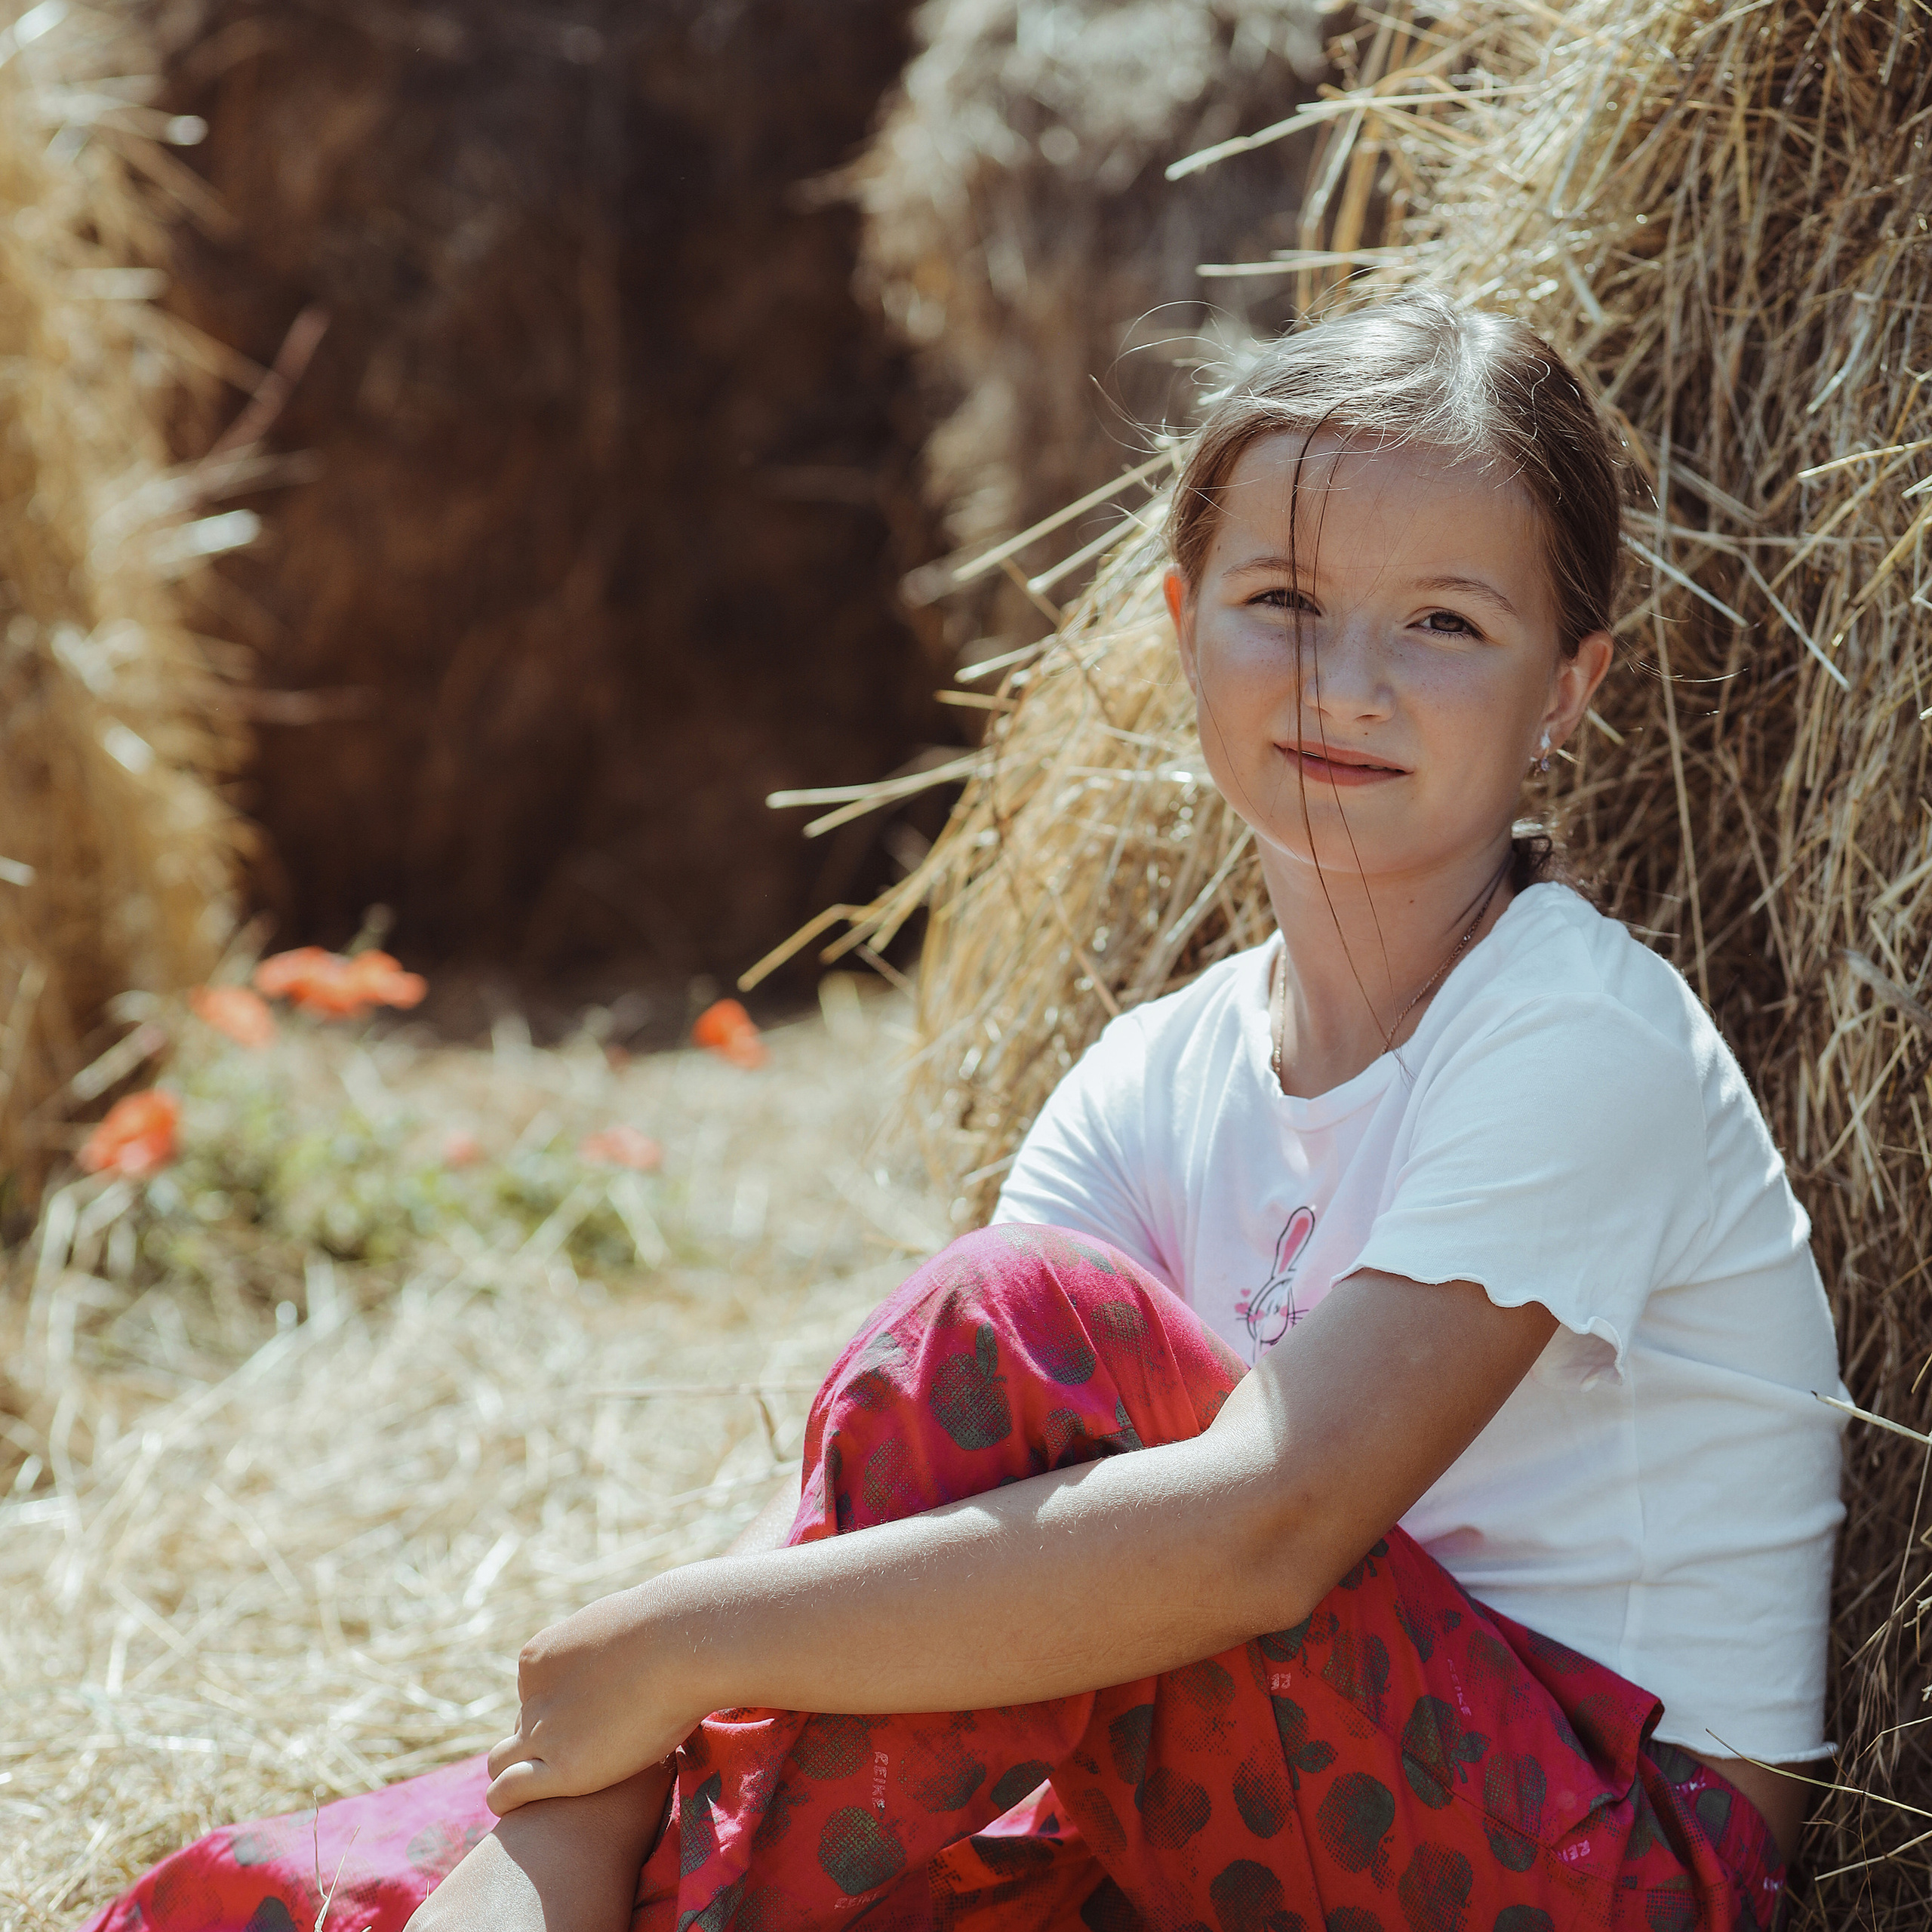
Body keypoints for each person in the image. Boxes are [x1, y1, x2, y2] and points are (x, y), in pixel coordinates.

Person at [78, 294, 1844, 1932]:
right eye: (1283, 601)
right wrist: (635, 1718)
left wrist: (672, 1649)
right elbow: (924, 1520)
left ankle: (562, 1880)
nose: (1344, 677)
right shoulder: (1153, 1073)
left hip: (1603, 1861)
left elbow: (1266, 1529)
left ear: (1566, 687)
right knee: (295, 1888)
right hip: (1239, 1804)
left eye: (1442, 623)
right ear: (1181, 625)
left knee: (1019, 1319)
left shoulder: (1575, 1032)